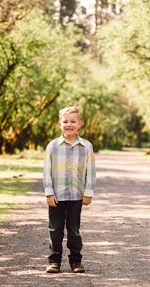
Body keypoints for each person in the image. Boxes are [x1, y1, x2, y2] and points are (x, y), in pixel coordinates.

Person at [43, 106, 95, 273]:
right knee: (55, 229)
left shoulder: (86, 147)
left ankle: (75, 261)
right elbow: (47, 171)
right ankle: (54, 261)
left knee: (74, 230)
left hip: (76, 196)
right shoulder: (52, 146)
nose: (69, 124)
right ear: (59, 124)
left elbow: (91, 172)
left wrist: (88, 193)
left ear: (79, 124)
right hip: (57, 196)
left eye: (73, 121)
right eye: (65, 122)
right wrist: (49, 192)